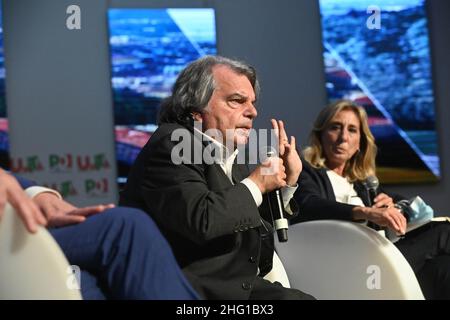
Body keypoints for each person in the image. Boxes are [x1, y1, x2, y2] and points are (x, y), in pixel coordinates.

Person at [120, 55, 314, 300]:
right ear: (196, 111)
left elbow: (242, 218)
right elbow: (202, 220)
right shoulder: (173, 144)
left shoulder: (229, 157)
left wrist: (286, 184)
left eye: (252, 103)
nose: (253, 112)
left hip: (235, 285)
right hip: (189, 291)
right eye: (237, 101)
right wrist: (256, 184)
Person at [291, 100, 450, 299]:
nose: (343, 138)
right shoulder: (307, 171)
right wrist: (365, 212)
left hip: (382, 259)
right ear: (320, 135)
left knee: (443, 268)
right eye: (335, 127)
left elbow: (403, 203)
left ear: (360, 143)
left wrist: (395, 206)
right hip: (351, 266)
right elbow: (308, 204)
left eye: (352, 130)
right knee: (444, 232)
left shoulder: (363, 185)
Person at [0, 168, 199, 300]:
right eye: (231, 102)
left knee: (86, 281)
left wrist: (36, 193)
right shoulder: (172, 144)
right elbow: (203, 223)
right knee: (124, 228)